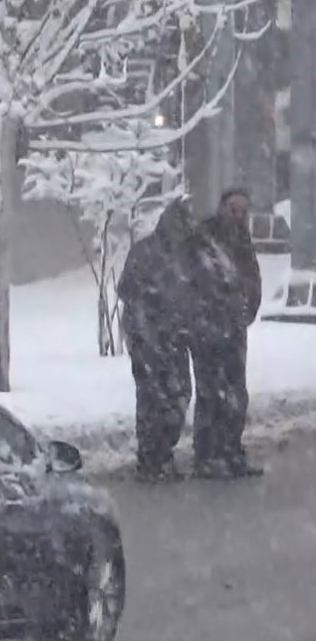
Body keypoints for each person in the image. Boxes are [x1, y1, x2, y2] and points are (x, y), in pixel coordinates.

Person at [185, 187, 263, 479]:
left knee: (235, 395)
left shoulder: (243, 241)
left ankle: (232, 452)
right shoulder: (203, 239)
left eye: (243, 211)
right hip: (207, 331)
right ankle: (205, 456)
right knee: (210, 394)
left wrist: (248, 311)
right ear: (222, 208)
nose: (238, 216)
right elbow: (192, 282)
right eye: (234, 209)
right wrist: (203, 318)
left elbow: (252, 278)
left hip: (234, 330)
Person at [117, 201, 195, 482]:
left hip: (173, 339)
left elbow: (190, 294)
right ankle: (152, 457)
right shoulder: (146, 251)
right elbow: (125, 289)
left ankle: (162, 452)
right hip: (147, 340)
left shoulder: (185, 255)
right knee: (153, 398)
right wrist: (149, 310)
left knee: (177, 394)